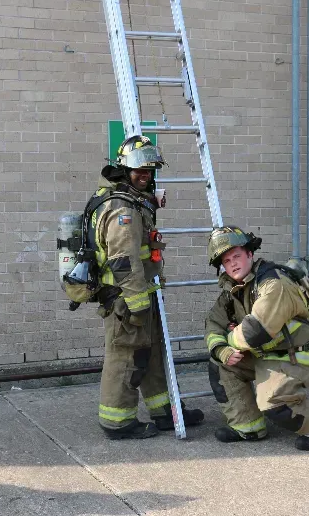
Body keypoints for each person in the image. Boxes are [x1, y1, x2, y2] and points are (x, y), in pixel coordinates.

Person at [91, 135, 204, 439]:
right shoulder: (122, 211)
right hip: (126, 299)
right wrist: (137, 303)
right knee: (126, 356)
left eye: (150, 170)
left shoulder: (133, 201)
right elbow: (122, 261)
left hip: (142, 292)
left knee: (153, 353)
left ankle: (165, 412)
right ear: (124, 169)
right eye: (139, 170)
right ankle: (118, 422)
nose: (145, 175)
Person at [204, 226, 309, 450]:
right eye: (227, 260)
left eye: (237, 256)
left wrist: (229, 337)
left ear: (250, 255)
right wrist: (222, 350)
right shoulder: (232, 289)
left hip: (295, 351)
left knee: (275, 407)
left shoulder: (273, 282)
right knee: (220, 363)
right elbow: (213, 323)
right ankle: (248, 427)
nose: (233, 263)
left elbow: (256, 330)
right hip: (265, 351)